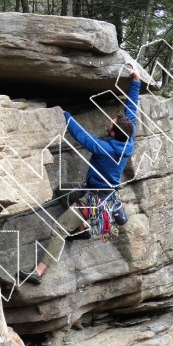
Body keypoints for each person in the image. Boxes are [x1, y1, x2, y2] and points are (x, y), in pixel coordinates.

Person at [19, 62, 141, 285]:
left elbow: (84, 138)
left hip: (94, 200)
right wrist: (136, 80)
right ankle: (84, 228)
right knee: (63, 194)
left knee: (59, 228)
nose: (109, 121)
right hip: (94, 190)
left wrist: (66, 116)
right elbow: (132, 109)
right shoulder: (127, 138)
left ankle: (38, 272)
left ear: (114, 133)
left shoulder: (106, 149)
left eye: (111, 123)